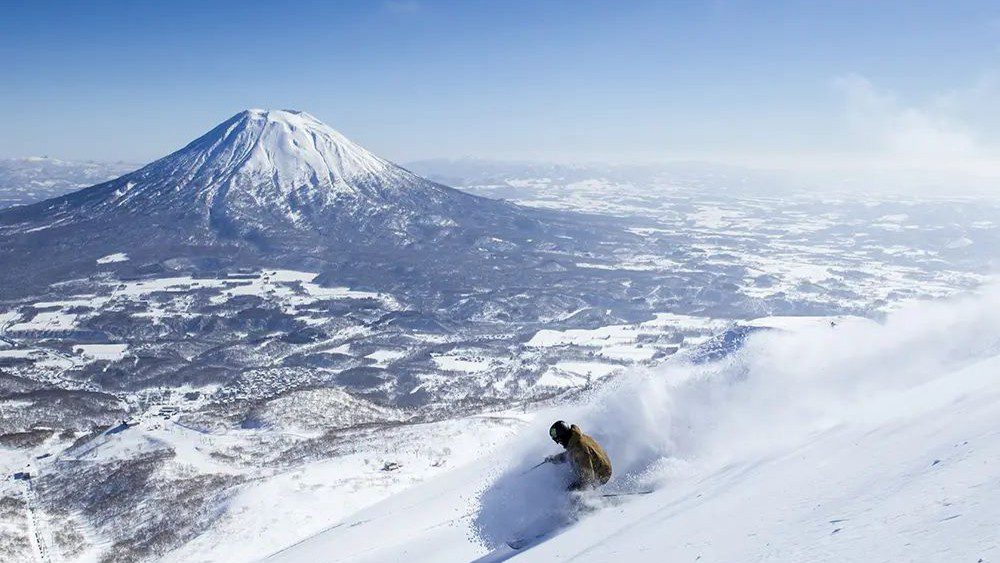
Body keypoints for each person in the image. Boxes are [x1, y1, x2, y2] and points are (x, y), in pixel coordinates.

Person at [545, 420, 612, 490]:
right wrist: (554, 459)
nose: (559, 443)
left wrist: (578, 492)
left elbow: (588, 476)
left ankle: (580, 499)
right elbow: (568, 455)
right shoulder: (575, 439)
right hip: (596, 465)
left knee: (570, 490)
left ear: (563, 437)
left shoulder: (580, 449)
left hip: (602, 474)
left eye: (559, 440)